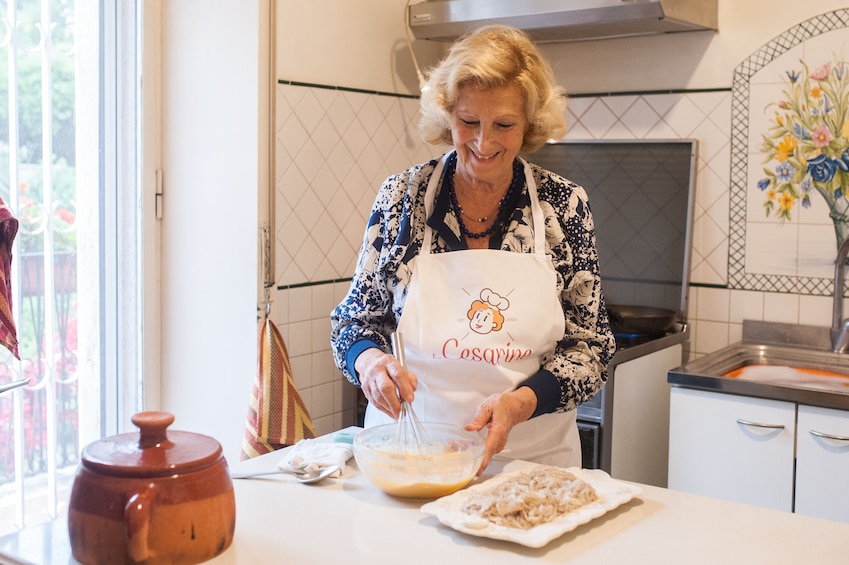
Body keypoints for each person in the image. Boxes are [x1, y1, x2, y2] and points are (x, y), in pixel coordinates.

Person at [330, 24, 615, 473]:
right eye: (469, 122)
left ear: (529, 124)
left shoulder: (563, 206)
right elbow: (354, 321)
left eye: (504, 124)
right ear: (447, 115)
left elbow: (591, 348)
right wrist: (367, 361)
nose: (484, 142)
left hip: (532, 464)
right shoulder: (402, 198)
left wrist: (521, 402)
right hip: (414, 454)